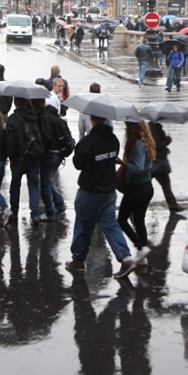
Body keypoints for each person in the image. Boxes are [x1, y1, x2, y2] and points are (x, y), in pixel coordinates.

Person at [64, 114, 137, 279]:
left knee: (83, 226)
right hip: (108, 190)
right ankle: (125, 258)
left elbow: (78, 164)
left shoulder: (87, 142)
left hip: (89, 191)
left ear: (92, 119)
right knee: (111, 225)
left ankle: (78, 260)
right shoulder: (113, 140)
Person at [5, 97, 54, 224]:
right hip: (34, 156)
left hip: (18, 157)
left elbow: (9, 141)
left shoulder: (12, 119)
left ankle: (14, 212)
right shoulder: (35, 117)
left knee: (15, 185)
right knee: (33, 185)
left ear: (15, 103)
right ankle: (35, 214)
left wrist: (10, 156)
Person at [117, 119, 156, 266]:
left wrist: (125, 164)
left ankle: (140, 246)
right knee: (139, 219)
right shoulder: (145, 141)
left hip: (137, 187)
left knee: (121, 219)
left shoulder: (137, 144)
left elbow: (138, 167)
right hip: (146, 186)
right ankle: (142, 255)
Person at [36, 97, 70, 218]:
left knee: (44, 183)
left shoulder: (44, 117)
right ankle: (60, 204)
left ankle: (50, 213)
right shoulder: (53, 114)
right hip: (60, 152)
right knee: (48, 178)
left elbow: (47, 137)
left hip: (52, 153)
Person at [147, 121, 184, 212]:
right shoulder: (155, 129)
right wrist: (168, 140)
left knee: (145, 185)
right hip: (159, 162)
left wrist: (165, 148)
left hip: (151, 161)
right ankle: (173, 206)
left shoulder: (148, 127)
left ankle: (135, 205)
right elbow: (158, 144)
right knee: (166, 184)